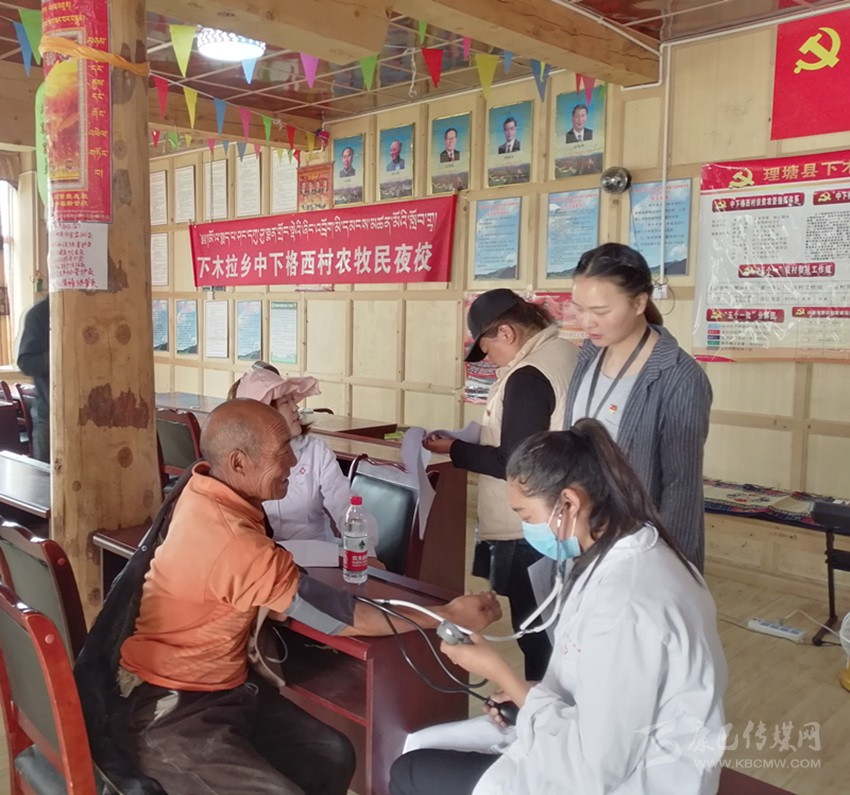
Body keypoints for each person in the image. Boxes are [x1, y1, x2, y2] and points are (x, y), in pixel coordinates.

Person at [111, 399, 501, 794]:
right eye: (282, 450)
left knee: (331, 754)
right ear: (239, 463)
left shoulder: (199, 487)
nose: (294, 462)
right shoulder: (236, 543)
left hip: (226, 689)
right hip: (170, 705)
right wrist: (447, 614)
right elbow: (343, 617)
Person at [391, 420, 728, 795]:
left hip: (632, 780)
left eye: (527, 517)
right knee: (423, 747)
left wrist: (501, 674)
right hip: (601, 747)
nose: (527, 529)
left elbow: (596, 769)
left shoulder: (625, 604)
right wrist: (530, 691)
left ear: (569, 503)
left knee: (409, 771)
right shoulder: (628, 550)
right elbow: (607, 684)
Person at [424, 290, 578, 680]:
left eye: (487, 349)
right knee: (558, 627)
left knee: (537, 633)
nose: (490, 359)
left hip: (532, 526)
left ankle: (539, 706)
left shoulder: (528, 375)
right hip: (564, 515)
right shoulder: (565, 353)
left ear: (506, 333)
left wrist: (455, 450)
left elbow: (514, 461)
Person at [566, 242, 711, 570]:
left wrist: (670, 569)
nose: (586, 322)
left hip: (635, 548)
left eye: (600, 311)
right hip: (581, 534)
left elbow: (681, 488)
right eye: (579, 308)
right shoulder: (588, 355)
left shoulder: (678, 376)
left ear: (639, 303)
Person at [232, 368, 378, 554]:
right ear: (265, 416)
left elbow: (344, 504)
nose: (295, 407)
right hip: (266, 559)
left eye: (293, 400)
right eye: (285, 402)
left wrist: (365, 552)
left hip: (319, 557)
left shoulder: (316, 451)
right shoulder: (242, 462)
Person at [16, 295, 50, 462]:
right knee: (47, 472)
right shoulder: (41, 313)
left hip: (101, 413)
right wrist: (60, 352)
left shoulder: (99, 309)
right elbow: (26, 363)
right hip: (50, 414)